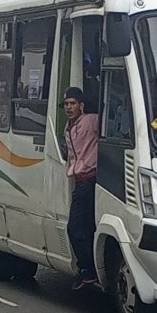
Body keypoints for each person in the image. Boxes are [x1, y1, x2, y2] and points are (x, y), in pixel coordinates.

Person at [63, 86, 100, 289]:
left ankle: (88, 270)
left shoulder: (91, 120)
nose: (69, 108)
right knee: (83, 228)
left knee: (75, 228)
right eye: (66, 104)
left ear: (81, 106)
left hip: (91, 181)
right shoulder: (68, 127)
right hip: (79, 181)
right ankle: (88, 270)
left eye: (73, 104)